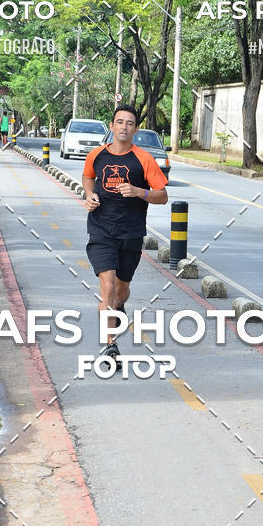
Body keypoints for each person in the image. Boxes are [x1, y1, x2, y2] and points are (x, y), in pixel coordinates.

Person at [82, 104, 168, 367]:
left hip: (131, 232)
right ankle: (111, 346)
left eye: (129, 123)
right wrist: (89, 196)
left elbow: (162, 196)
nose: (124, 127)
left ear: (136, 129)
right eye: (119, 122)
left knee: (121, 291)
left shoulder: (144, 159)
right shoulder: (96, 155)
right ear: (111, 126)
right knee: (107, 287)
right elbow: (88, 177)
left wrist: (139, 192)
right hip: (101, 229)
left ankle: (117, 308)